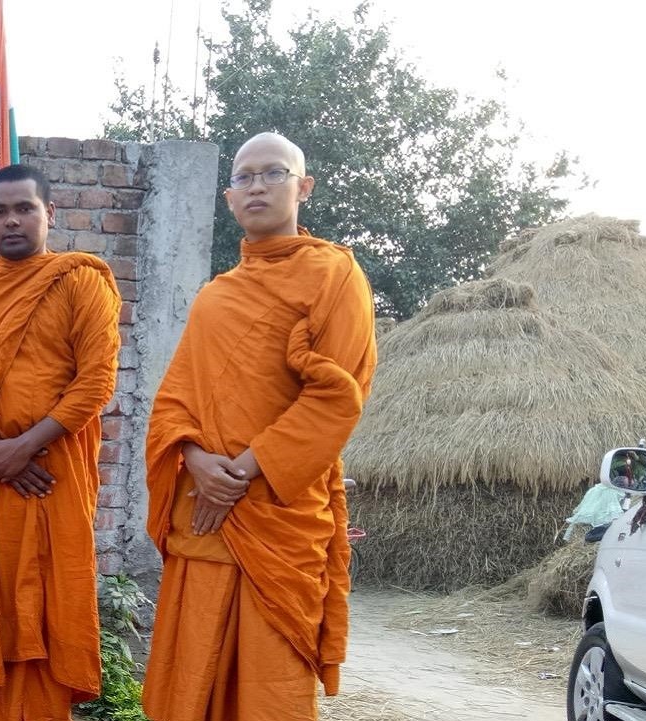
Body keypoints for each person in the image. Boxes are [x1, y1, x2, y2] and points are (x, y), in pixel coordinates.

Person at [143, 133, 378, 720]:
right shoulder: (215, 296)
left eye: (274, 173)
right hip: (204, 512)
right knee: (191, 677)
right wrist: (196, 460)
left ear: (303, 187)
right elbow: (175, 398)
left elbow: (338, 397)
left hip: (276, 509)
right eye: (244, 177)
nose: (257, 186)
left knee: (269, 686)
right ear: (228, 198)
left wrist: (241, 473)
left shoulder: (335, 276)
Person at [0, 164, 123, 720]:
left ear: (49, 214)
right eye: (0, 211)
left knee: (43, 611)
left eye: (25, 208)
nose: (12, 220)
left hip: (48, 481)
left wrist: (26, 445)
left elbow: (97, 382)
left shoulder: (80, 281)